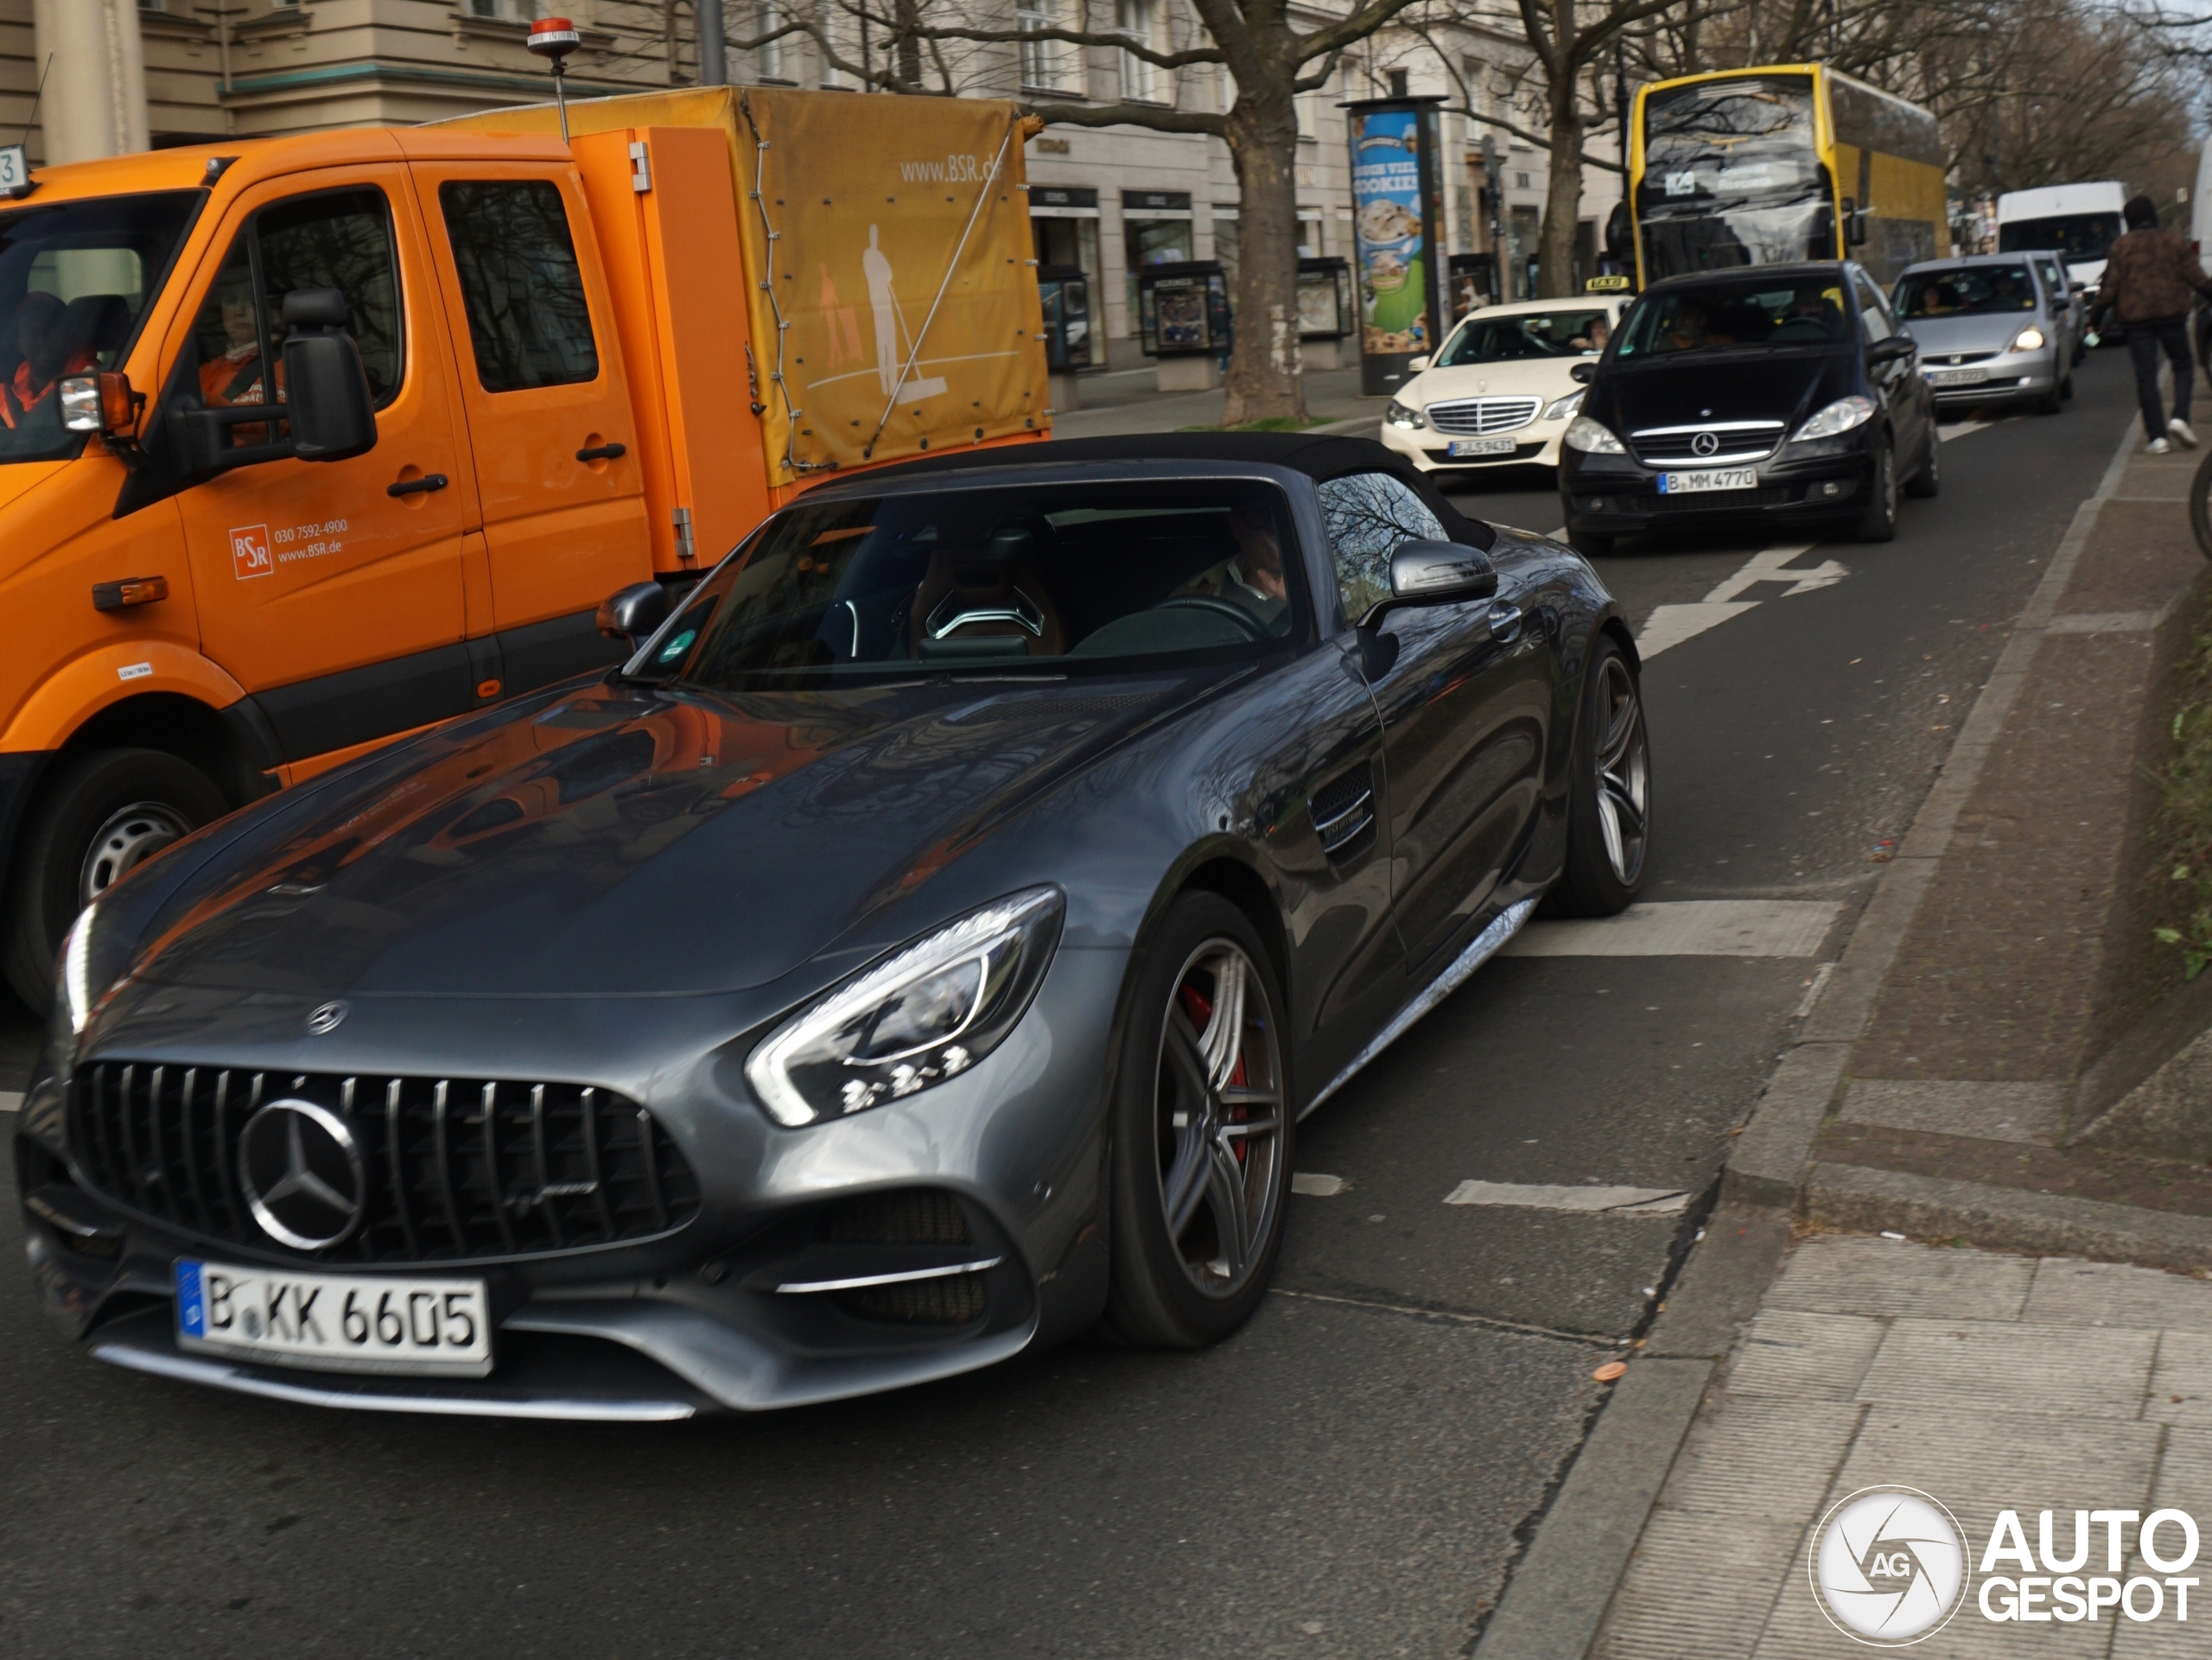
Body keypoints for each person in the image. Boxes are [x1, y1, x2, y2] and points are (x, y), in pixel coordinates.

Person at [2091, 193, 2212, 453]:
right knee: (2182, 365)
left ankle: (2157, 438)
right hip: (2172, 315)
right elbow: (2198, 279)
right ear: (2153, 215)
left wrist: (2094, 320)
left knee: (2146, 377)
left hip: (2136, 320)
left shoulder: (2120, 247)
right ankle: (2180, 418)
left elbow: (2109, 290)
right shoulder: (2174, 241)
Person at [1176, 499, 1289, 630]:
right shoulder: (1196, 591)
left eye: (1284, 515)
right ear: (1235, 526)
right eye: (1260, 515)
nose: (1275, 526)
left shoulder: (1315, 588)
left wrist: (1299, 595)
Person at [1, 290, 92, 429]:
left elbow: (75, 445)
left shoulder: (88, 382)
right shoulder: (6, 396)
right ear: (19, 344)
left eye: (49, 330)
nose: (40, 340)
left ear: (67, 337)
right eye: (31, 332)